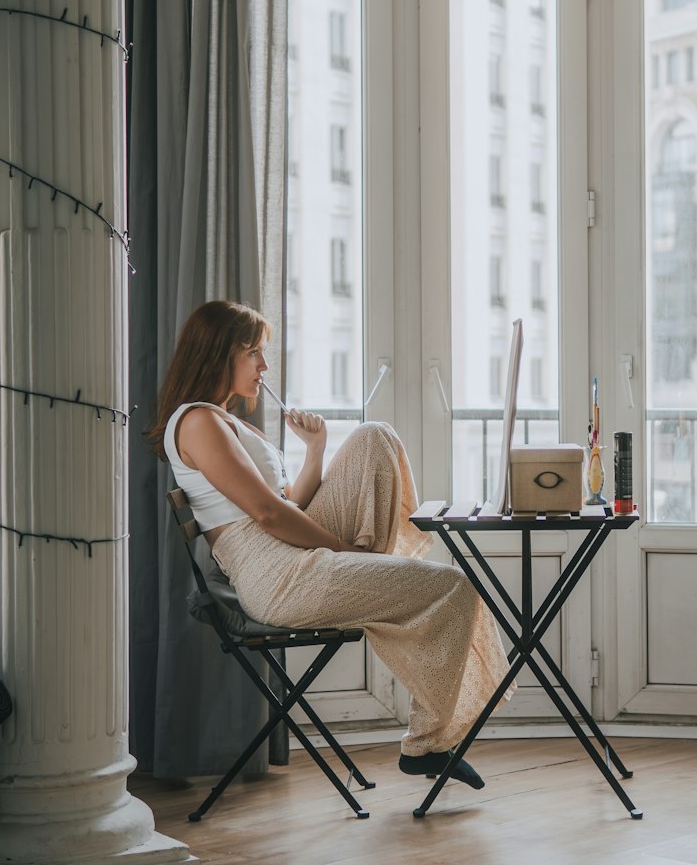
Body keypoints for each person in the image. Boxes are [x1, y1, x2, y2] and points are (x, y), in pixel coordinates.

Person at [148, 300, 510, 788]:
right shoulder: (197, 422)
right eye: (253, 352)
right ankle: (428, 743)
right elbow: (268, 514)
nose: (264, 366)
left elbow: (287, 503)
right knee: (454, 588)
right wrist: (342, 552)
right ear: (218, 353)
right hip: (273, 576)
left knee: (373, 438)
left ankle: (380, 578)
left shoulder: (226, 421)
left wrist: (314, 450)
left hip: (287, 551)